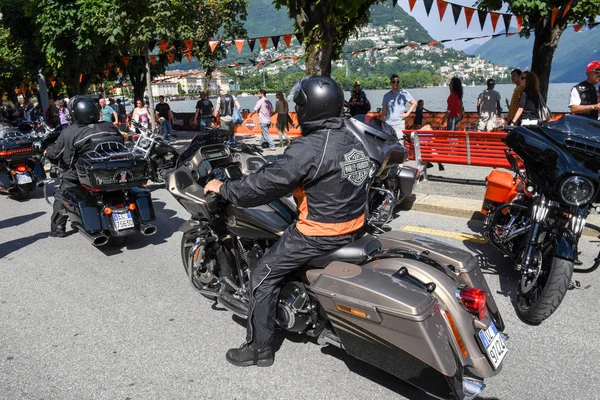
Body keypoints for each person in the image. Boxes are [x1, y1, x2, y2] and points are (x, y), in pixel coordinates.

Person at [203, 76, 369, 367]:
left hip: (319, 233)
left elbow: (262, 187)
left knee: (262, 276)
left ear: (309, 109)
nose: (296, 110)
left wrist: (225, 189)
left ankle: (259, 350)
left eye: (299, 105)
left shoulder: (309, 148)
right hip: (355, 224)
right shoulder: (356, 135)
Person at [45, 97, 123, 237]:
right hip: (112, 169)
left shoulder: (70, 132)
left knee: (63, 193)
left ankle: (58, 228)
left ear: (74, 113)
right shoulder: (110, 127)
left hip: (83, 173)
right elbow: (121, 144)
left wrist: (47, 152)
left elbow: (60, 155)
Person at [382, 74, 417, 142]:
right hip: (388, 124)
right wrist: (383, 124)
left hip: (399, 124)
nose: (396, 83)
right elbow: (384, 111)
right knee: (388, 144)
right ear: (390, 83)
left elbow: (414, 103)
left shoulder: (404, 93)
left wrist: (407, 114)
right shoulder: (386, 96)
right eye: (393, 82)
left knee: (400, 144)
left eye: (397, 82)